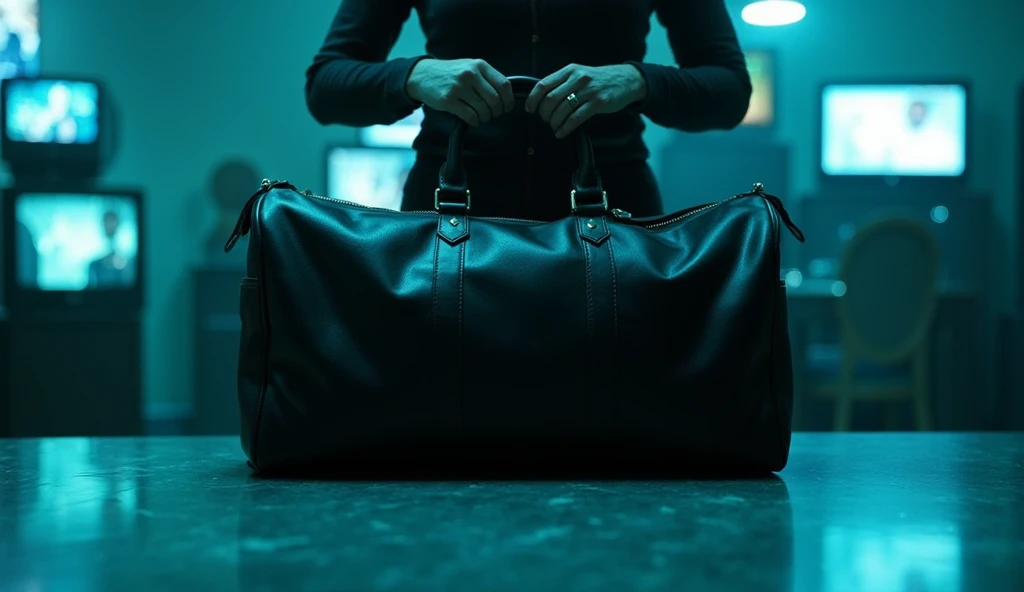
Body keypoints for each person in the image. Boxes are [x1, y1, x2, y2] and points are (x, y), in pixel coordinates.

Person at [305, 0, 752, 220]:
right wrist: (415, 75)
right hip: (450, 217)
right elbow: (325, 86)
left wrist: (636, 80)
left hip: (612, 219)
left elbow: (730, 91)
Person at [88, 210, 136, 289]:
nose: (110, 226)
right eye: (107, 223)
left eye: (112, 222)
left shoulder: (127, 261)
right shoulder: (94, 265)